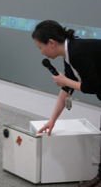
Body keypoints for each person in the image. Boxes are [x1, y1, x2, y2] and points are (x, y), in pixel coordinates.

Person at [32, 20, 101, 187]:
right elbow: (66, 90)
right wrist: (52, 121)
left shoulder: (77, 52)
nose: (42, 53)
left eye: (41, 48)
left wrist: (66, 81)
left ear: (51, 43)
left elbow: (93, 86)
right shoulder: (69, 54)